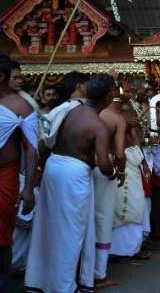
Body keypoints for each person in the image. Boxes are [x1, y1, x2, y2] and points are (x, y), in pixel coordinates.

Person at [25, 74, 115, 293]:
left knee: (48, 225)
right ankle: (64, 287)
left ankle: (37, 282)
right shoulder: (98, 125)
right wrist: (112, 171)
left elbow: (45, 142)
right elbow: (103, 164)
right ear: (107, 97)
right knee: (72, 232)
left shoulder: (69, 110)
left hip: (53, 167)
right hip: (75, 174)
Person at [0, 58, 37, 288]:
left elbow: (32, 150)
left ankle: (4, 283)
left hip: (5, 176)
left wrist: (29, 189)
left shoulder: (21, 106)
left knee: (2, 237)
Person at [109, 97, 151, 261]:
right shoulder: (112, 118)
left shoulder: (129, 119)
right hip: (120, 164)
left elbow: (137, 142)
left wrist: (144, 163)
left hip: (132, 164)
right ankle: (119, 249)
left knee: (136, 203)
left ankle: (133, 247)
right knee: (121, 204)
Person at [93, 87, 127, 288]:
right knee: (104, 219)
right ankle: (100, 274)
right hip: (105, 168)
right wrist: (121, 172)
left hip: (85, 168)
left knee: (87, 220)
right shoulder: (116, 118)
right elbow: (120, 153)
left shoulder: (88, 113)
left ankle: (84, 271)